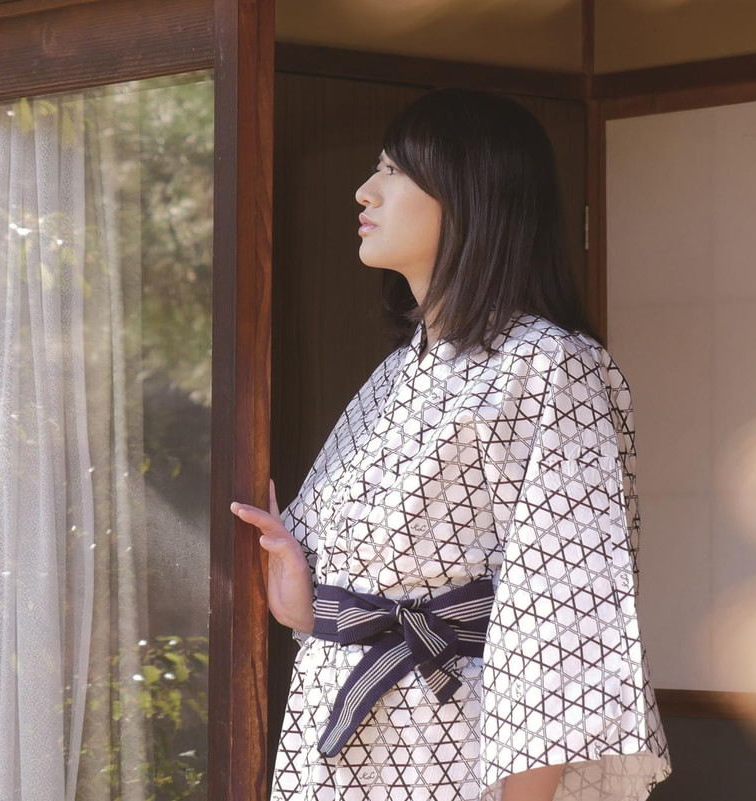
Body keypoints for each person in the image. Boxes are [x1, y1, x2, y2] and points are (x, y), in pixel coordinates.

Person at [230, 88, 672, 801]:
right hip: (339, 746)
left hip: (446, 747)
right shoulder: (399, 371)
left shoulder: (551, 364)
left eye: (393, 170)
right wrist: (305, 597)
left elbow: (560, 618)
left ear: (469, 196)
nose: (365, 190)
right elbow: (374, 592)